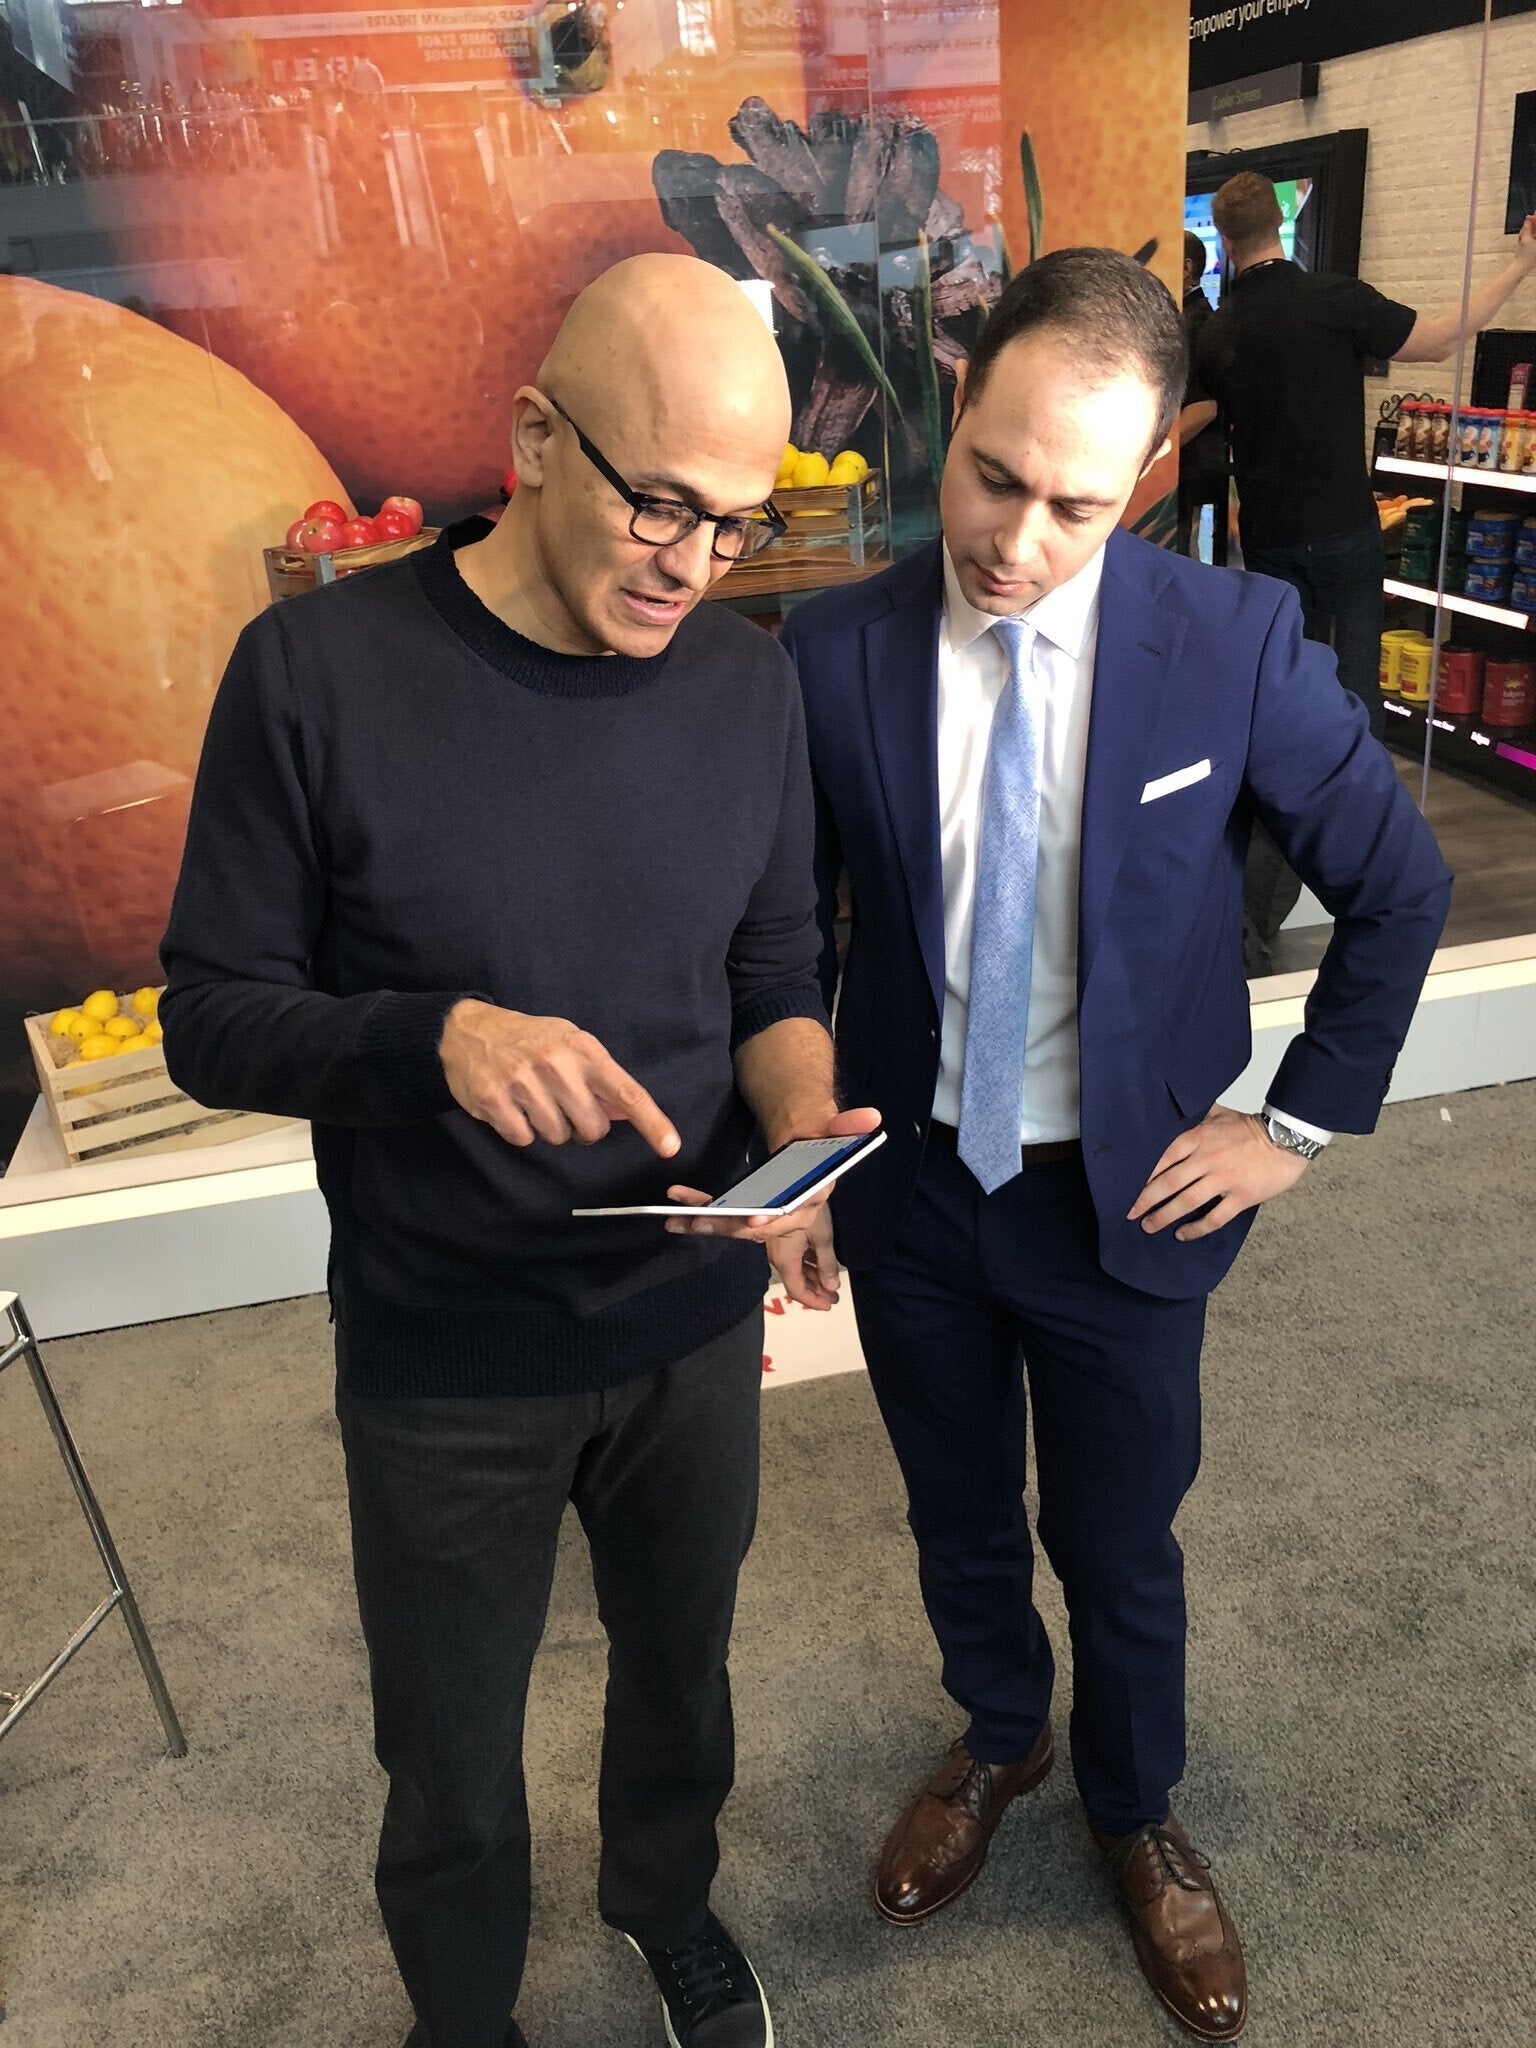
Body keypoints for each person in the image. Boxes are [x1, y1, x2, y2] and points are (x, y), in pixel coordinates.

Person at [160, 253, 876, 2048]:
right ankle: (462, 2013)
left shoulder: (743, 690)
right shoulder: (314, 673)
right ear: (534, 436)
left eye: (735, 521)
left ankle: (666, 1899)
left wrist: (799, 1124)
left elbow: (775, 968)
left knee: (682, 1675)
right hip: (442, 1349)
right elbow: (213, 1015)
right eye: (659, 504)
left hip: (685, 1319)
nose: (693, 563)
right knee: (451, 1754)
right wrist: (438, 1039)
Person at [780, 247, 1451, 2043]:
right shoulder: (836, 646)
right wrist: (790, 1149)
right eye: (990, 474)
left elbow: (1396, 890)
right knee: (948, 1503)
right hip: (918, 1182)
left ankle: (1131, 1800)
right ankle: (998, 1730)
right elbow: (779, 928)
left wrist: (1291, 1124)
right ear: (955, 407)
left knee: (1120, 1533)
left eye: (1075, 501)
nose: (1014, 537)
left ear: (1147, 476)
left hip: (1129, 1197)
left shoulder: (1226, 643)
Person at [1189, 174, 1536, 970]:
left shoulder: (1220, 329)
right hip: (1343, 536)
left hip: (1271, 544)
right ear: (1282, 219)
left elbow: (1200, 415)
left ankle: (1254, 914)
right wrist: (1520, 267)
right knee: (1353, 718)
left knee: (1280, 718)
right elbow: (1445, 339)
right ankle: (1373, 884)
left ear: (1222, 236)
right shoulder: (1336, 301)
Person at [1174, 230, 1225, 560]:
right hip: (1188, 462)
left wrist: (1157, 452)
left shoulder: (1199, 323)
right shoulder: (1187, 319)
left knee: (1182, 549)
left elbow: (1206, 405)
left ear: (1186, 267)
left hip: (1190, 463)